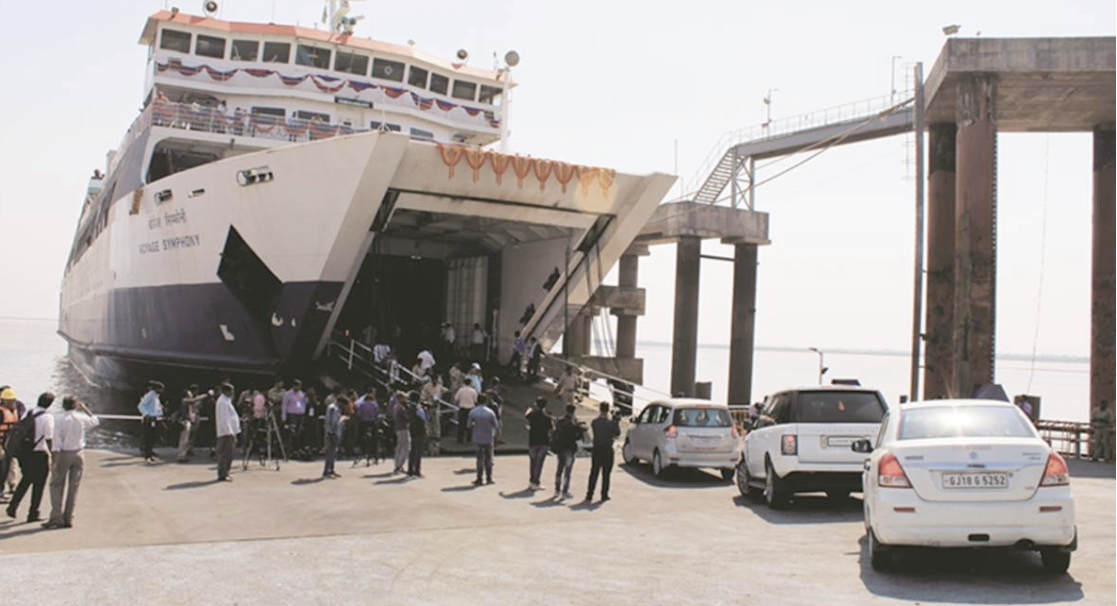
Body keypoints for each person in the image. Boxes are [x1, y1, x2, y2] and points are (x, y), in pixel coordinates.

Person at [42, 396, 99, 529]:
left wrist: (54, 462)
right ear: (75, 406)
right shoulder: (81, 417)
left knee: (56, 484)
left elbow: (57, 443)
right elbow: (95, 421)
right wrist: (84, 408)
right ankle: (69, 517)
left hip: (64, 453)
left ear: (63, 406)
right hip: (79, 453)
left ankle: (56, 516)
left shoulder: (60, 419)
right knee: (74, 487)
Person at [6, 392, 55, 522]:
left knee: (26, 480)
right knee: (39, 484)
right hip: (39, 453)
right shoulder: (47, 417)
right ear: (50, 404)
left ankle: (13, 506)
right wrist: (53, 456)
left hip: (25, 453)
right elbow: (49, 438)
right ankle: (33, 512)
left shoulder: (30, 412)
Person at [585, 402, 621, 502]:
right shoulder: (611, 423)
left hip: (597, 449)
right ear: (608, 410)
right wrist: (616, 421)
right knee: (606, 474)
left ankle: (589, 494)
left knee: (594, 472)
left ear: (600, 409)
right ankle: (604, 494)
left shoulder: (595, 422)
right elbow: (617, 434)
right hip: (607, 449)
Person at [551, 404, 584, 501]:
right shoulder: (573, 424)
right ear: (573, 412)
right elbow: (578, 436)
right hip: (569, 449)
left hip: (560, 448)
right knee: (567, 472)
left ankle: (557, 489)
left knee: (559, 470)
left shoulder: (559, 421)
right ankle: (564, 491)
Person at [468, 395, 499, 486]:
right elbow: (496, 425)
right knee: (488, 459)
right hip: (488, 437)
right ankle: (489, 478)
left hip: (477, 438)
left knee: (479, 459)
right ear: (486, 401)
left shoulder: (473, 412)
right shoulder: (490, 412)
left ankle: (479, 478)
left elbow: (469, 425)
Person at [214, 384, 240, 482]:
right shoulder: (223, 402)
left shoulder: (226, 401)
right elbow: (225, 419)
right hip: (226, 432)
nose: (233, 393)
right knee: (225, 453)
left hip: (228, 431)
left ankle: (225, 472)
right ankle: (223, 474)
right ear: (227, 391)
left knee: (228, 453)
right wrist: (230, 432)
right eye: (231, 391)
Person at [525, 397, 553, 490]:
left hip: (533, 441)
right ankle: (536, 482)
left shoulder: (532, 415)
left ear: (536, 404)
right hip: (543, 441)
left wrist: (529, 410)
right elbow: (551, 430)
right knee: (539, 463)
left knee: (532, 462)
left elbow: (526, 415)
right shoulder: (547, 418)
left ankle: (531, 481)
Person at [177, 385, 208, 462]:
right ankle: (181, 456)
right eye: (189, 394)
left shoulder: (188, 402)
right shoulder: (184, 400)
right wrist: (206, 395)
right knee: (184, 440)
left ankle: (183, 455)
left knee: (186, 440)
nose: (190, 395)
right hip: (185, 421)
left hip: (188, 421)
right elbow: (194, 400)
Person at [137, 381, 164, 462]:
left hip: (155, 418)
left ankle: (150, 452)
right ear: (157, 388)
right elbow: (141, 405)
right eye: (161, 389)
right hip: (149, 419)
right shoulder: (150, 395)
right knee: (148, 437)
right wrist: (146, 414)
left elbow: (156, 408)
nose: (162, 390)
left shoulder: (156, 396)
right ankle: (147, 455)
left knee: (152, 437)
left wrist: (160, 413)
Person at [354, 388, 380, 465]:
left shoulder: (362, 405)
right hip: (372, 423)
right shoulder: (375, 404)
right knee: (374, 438)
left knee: (362, 436)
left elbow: (359, 414)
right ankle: (374, 453)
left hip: (364, 423)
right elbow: (376, 415)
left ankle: (363, 449)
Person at [282, 380, 308, 451]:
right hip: (292, 415)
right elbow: (284, 406)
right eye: (298, 386)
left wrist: (306, 397)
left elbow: (305, 403)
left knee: (299, 432)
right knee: (291, 432)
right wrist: (284, 417)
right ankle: (290, 449)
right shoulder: (288, 394)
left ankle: (297, 448)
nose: (299, 388)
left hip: (301, 415)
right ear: (294, 386)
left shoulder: (302, 394)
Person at [323, 395, 345, 479]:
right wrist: (341, 420)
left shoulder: (336, 408)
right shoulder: (333, 408)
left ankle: (331, 469)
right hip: (332, 432)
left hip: (336, 432)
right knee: (330, 453)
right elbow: (332, 421)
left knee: (333, 452)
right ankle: (326, 471)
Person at [407, 392, 428, 478]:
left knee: (413, 451)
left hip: (412, 430)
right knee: (418, 451)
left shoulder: (409, 408)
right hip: (420, 431)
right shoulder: (418, 409)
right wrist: (426, 411)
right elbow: (425, 419)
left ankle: (410, 469)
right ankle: (417, 470)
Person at [392, 392, 411, 475]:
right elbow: (407, 418)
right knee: (406, 447)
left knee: (399, 447)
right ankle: (399, 465)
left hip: (398, 428)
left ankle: (398, 464)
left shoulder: (395, 407)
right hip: (403, 428)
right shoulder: (401, 408)